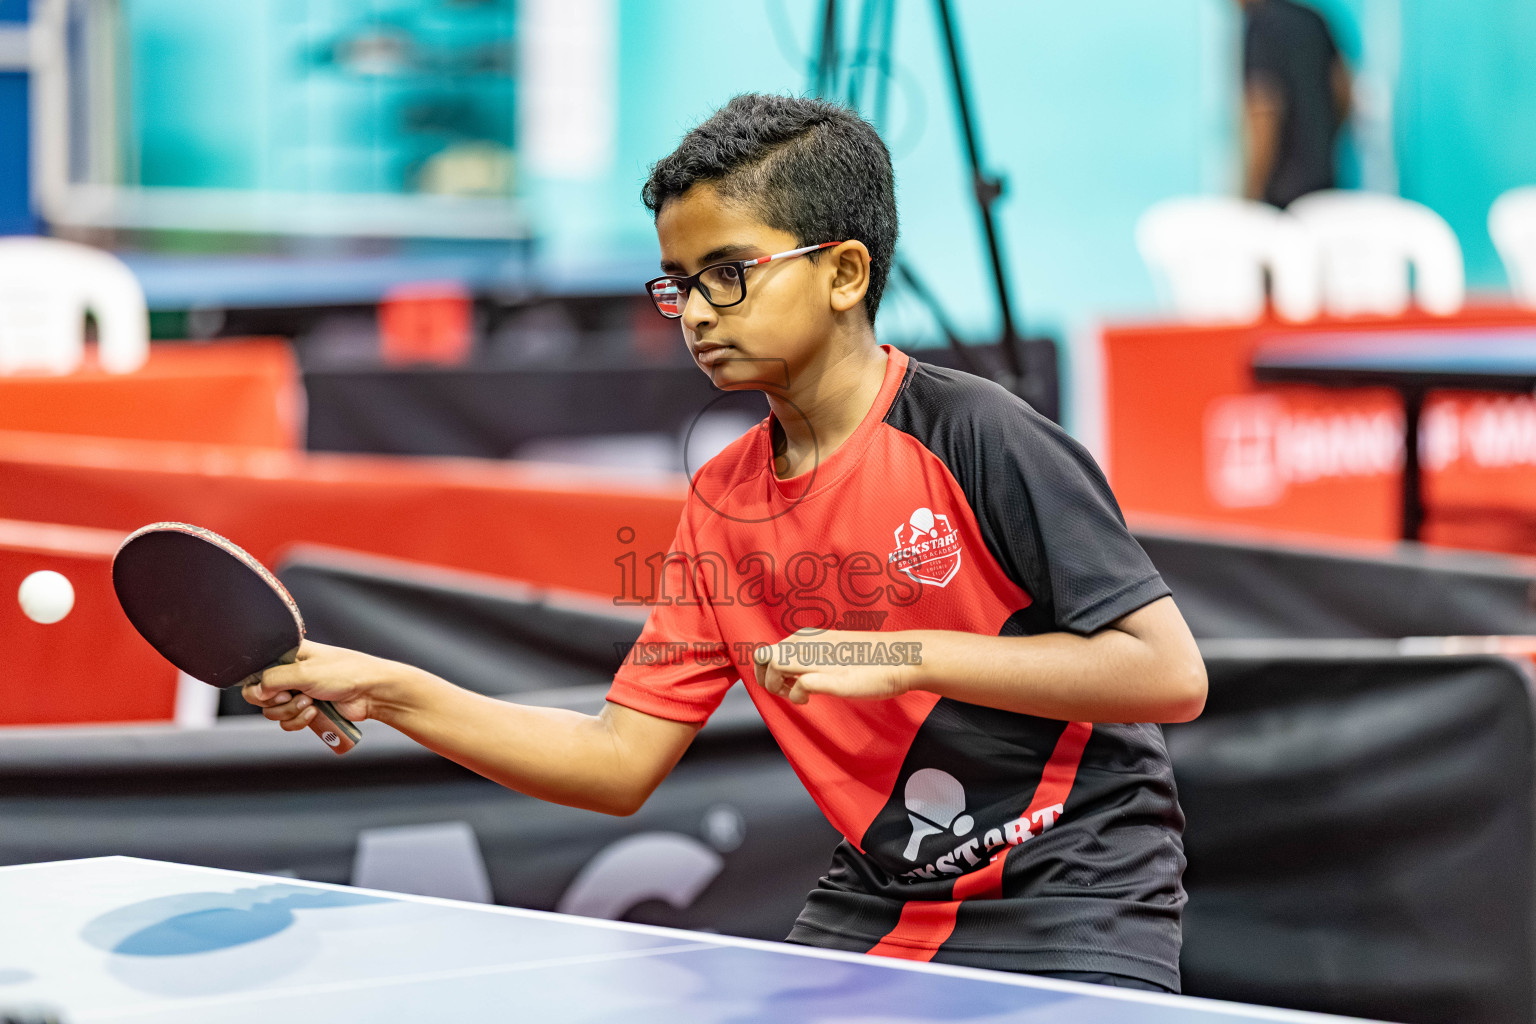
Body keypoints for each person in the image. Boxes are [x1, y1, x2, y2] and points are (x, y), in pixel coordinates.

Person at [246, 93, 1207, 994]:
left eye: (728, 274)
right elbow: (617, 760)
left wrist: (895, 655)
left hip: (1078, 881)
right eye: (680, 284)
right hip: (889, 891)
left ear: (843, 271)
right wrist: (389, 690)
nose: (697, 312)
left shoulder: (979, 435)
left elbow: (1166, 674)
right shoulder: (724, 500)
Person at [1239, 0, 1352, 208]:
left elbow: (1264, 113)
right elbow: (1344, 91)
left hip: (1280, 197)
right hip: (1324, 185)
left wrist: (1250, 196)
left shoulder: (1260, 26)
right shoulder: (1314, 20)